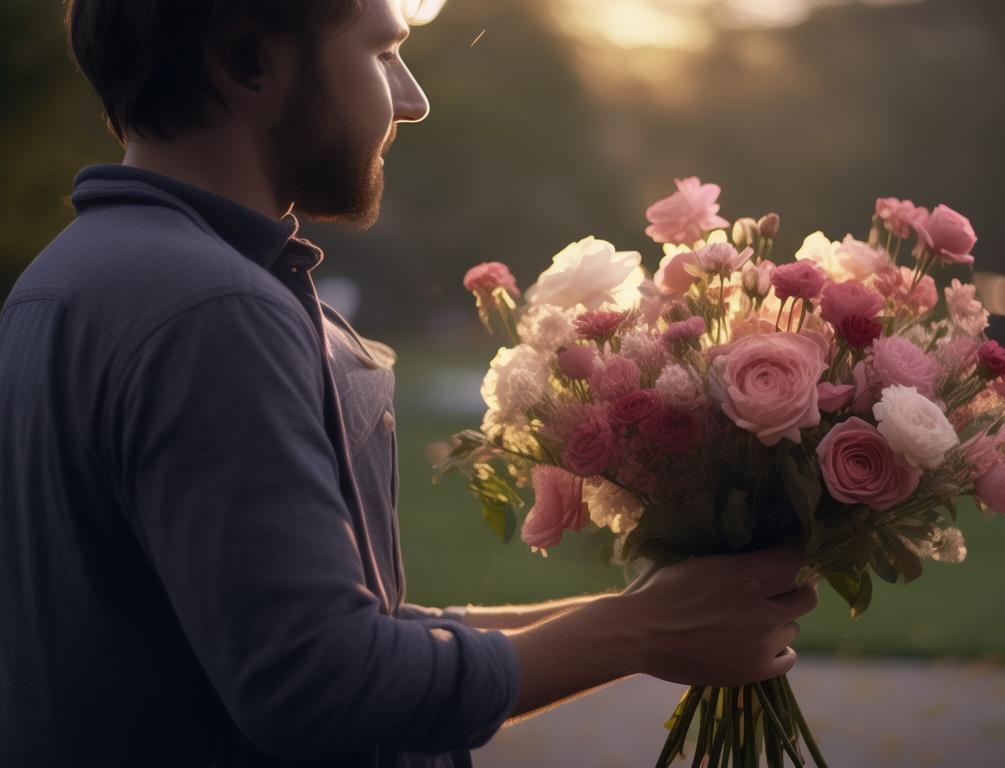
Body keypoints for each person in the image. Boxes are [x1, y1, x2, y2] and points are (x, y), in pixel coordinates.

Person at [0, 1, 818, 766]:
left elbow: (335, 635)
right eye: (384, 51)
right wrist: (634, 634)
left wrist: (648, 615)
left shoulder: (67, 281)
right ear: (249, 58)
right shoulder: (210, 309)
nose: (414, 98)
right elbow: (323, 683)